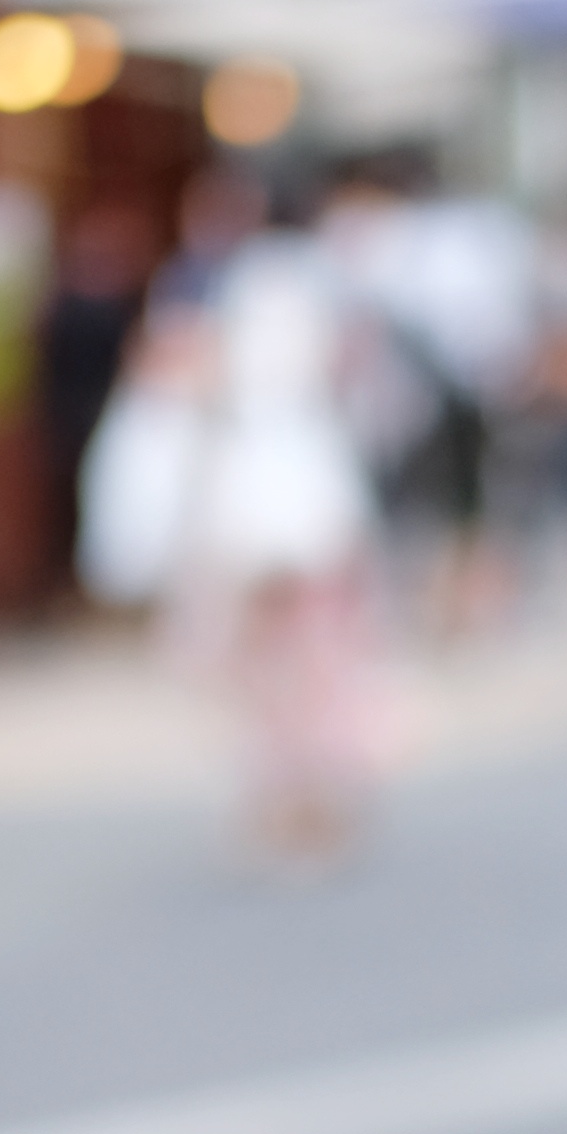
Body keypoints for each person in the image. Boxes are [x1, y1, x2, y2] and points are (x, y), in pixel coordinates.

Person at [143, 167, 383, 859]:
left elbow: (180, 382)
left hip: (248, 492)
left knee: (263, 657)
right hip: (315, 486)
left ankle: (282, 790)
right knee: (321, 647)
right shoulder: (323, 284)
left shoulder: (215, 288)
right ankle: (318, 785)